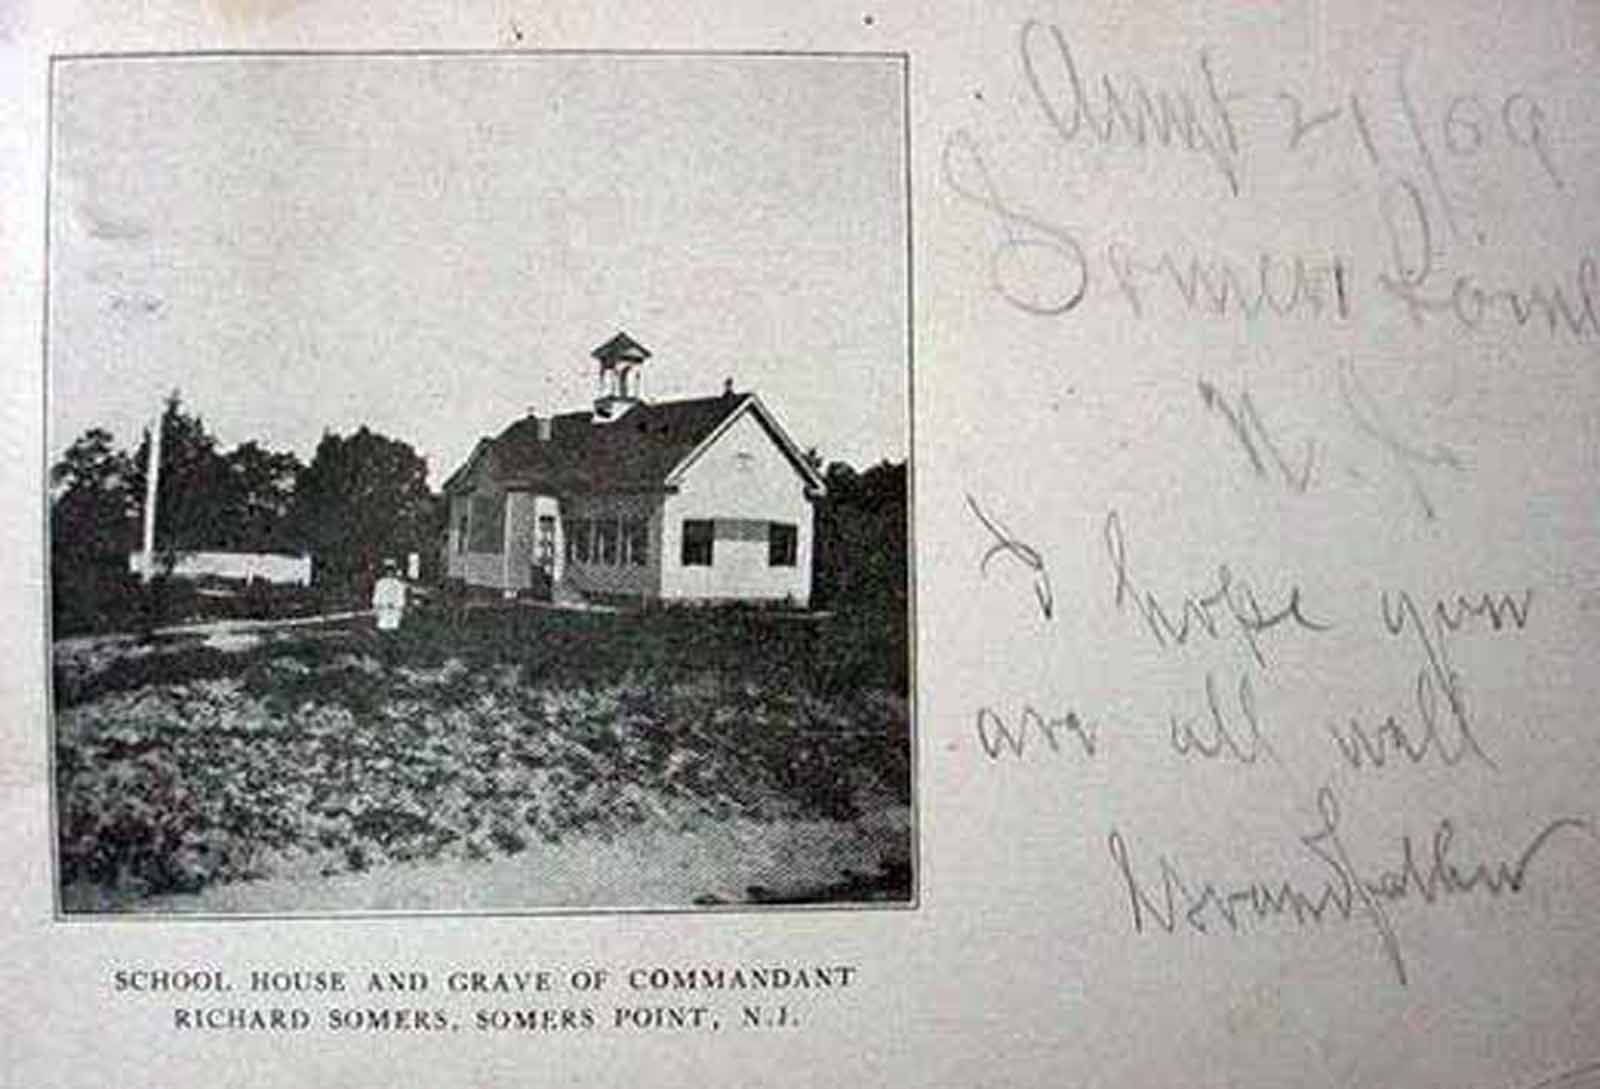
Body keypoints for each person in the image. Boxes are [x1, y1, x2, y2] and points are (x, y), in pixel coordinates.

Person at [372, 560, 407, 632]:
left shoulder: (398, 584)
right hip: (383, 610)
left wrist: (396, 605)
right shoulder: (380, 583)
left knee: (393, 628)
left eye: (391, 571)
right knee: (383, 627)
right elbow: (377, 596)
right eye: (388, 571)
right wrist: (377, 606)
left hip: (394, 611)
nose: (389, 573)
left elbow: (401, 597)